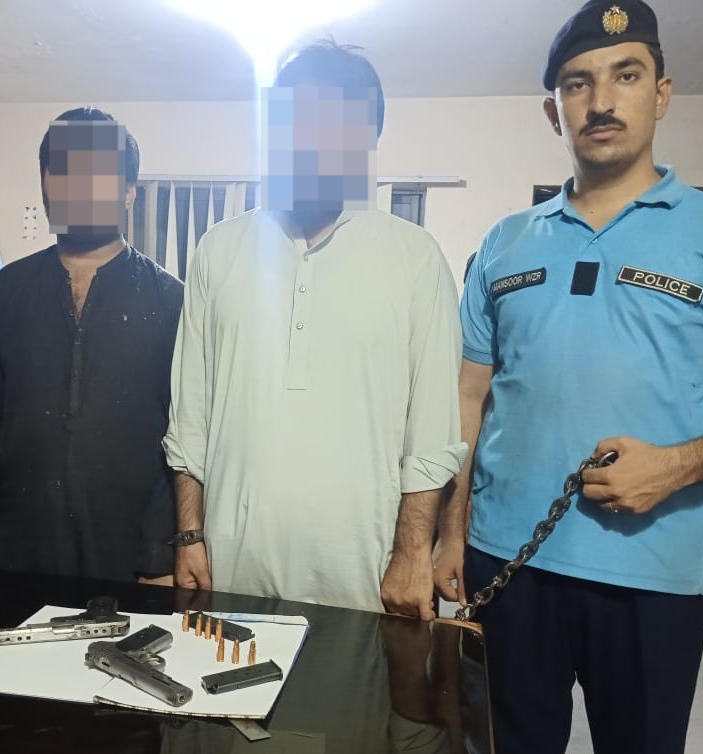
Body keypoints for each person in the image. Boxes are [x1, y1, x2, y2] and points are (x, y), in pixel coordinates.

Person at [433, 2, 703, 753]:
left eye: (626, 75)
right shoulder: (503, 242)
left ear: (662, 93)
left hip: (654, 575)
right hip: (505, 563)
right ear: (554, 112)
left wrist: (677, 466)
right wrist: (449, 536)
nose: (601, 100)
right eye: (578, 83)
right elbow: (468, 398)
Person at [164, 41, 466, 615]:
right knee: (225, 678)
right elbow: (190, 419)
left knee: (353, 681)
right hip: (229, 571)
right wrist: (189, 534)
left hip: (362, 579)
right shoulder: (219, 251)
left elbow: (431, 434)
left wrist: (411, 554)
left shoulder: (415, 258)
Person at [0, 107, 183, 584]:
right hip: (17, 553)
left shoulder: (173, 301)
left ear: (128, 191)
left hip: (136, 563)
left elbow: (184, 434)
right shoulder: (7, 292)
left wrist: (163, 554)